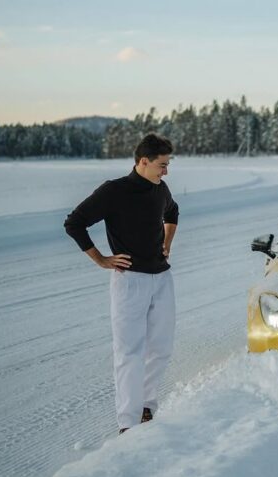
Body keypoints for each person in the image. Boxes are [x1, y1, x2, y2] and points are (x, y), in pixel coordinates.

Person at [64, 133, 179, 434]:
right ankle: (127, 424)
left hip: (162, 279)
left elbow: (172, 211)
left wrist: (167, 241)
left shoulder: (160, 189)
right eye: (162, 165)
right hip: (130, 282)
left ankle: (145, 408)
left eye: (167, 165)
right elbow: (74, 223)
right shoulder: (113, 191)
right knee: (130, 353)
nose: (166, 171)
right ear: (143, 161)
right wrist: (101, 259)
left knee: (162, 349)